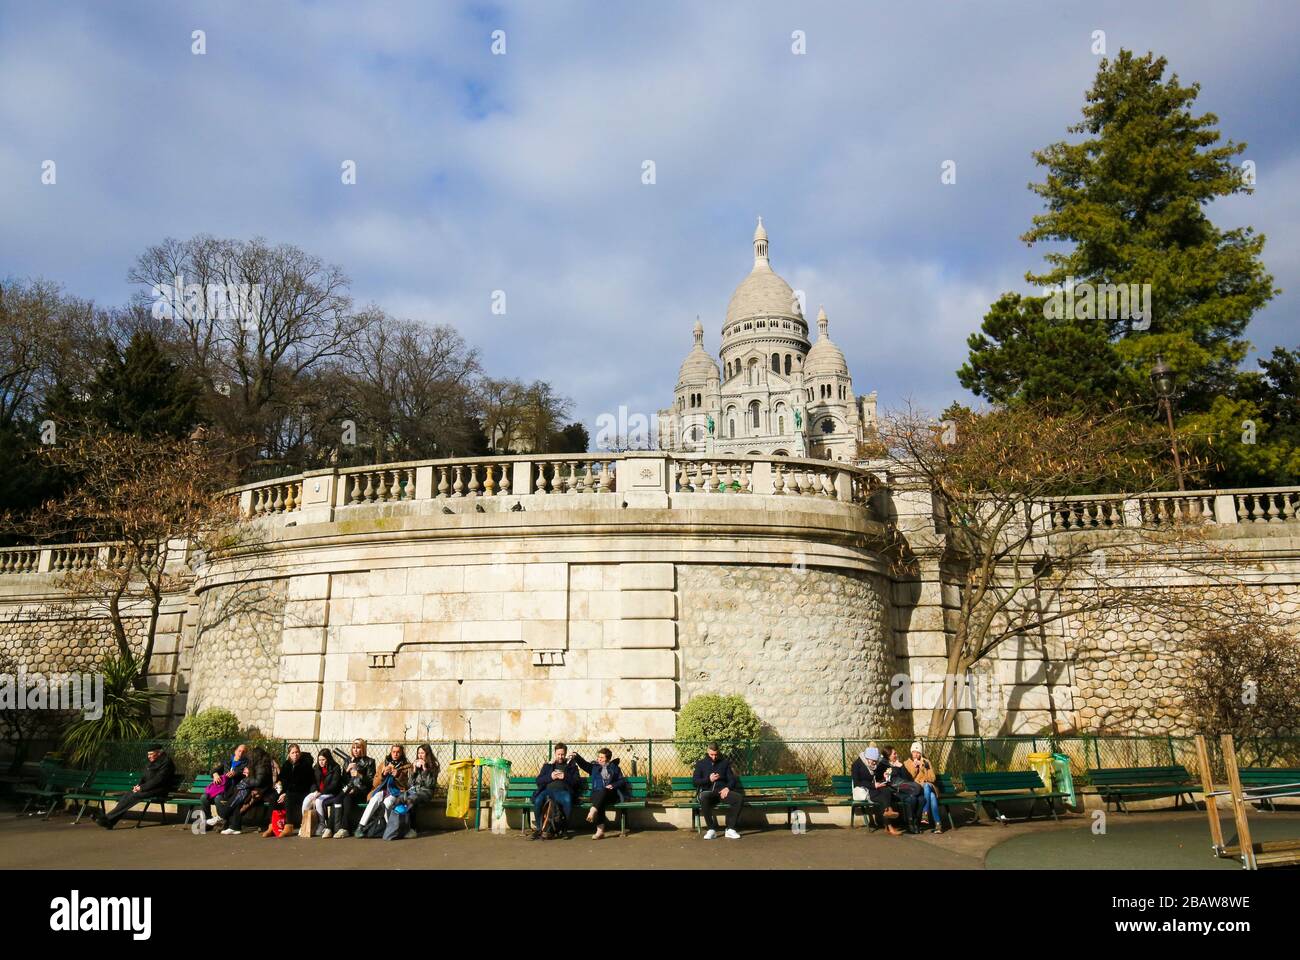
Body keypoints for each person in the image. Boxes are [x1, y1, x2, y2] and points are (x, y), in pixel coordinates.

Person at [95, 745, 177, 829]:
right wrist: (138, 785)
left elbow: (159, 779)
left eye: (151, 754)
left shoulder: (166, 762)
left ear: (159, 753)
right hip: (149, 789)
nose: (149, 757)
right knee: (128, 795)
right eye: (148, 754)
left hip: (160, 790)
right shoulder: (152, 762)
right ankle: (110, 821)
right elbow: (145, 777)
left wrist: (142, 788)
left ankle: (107, 818)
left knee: (134, 796)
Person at [528, 743, 581, 840]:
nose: (560, 757)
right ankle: (539, 829)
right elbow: (538, 781)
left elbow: (577, 782)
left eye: (562, 754)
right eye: (558, 754)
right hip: (547, 791)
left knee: (568, 800)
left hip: (563, 792)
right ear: (555, 754)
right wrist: (550, 777)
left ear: (565, 754)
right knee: (538, 800)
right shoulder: (548, 766)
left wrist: (565, 777)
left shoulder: (572, 766)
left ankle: (564, 830)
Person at [323, 739, 375, 839]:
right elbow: (343, 781)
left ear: (363, 749)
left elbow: (370, 782)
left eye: (358, 748)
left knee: (347, 798)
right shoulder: (348, 761)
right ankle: (330, 827)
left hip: (362, 790)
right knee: (337, 798)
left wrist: (359, 775)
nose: (355, 750)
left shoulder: (370, 761)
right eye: (354, 748)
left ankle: (344, 828)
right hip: (348, 788)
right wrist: (347, 772)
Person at [692, 742, 744, 840]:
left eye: (716, 754)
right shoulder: (701, 764)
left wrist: (727, 788)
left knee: (738, 798)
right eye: (712, 754)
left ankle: (730, 829)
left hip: (722, 793)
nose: (714, 757)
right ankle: (711, 829)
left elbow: (732, 779)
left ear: (718, 752)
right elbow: (695, 782)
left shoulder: (724, 763)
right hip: (709, 793)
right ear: (708, 752)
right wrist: (708, 779)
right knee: (703, 797)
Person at [357, 744, 411, 835]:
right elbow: (375, 783)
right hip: (382, 790)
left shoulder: (407, 766)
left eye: (398, 752)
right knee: (374, 799)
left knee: (387, 803)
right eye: (394, 752)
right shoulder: (383, 764)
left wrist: (398, 776)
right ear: (391, 752)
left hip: (396, 792)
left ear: (402, 753)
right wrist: (383, 774)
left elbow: (407, 784)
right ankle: (361, 826)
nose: (395, 754)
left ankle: (390, 827)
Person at [573, 747, 627, 839]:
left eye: (602, 757)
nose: (599, 759)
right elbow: (583, 764)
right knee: (600, 801)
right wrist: (576, 756)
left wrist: (613, 785)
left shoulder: (614, 767)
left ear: (608, 759)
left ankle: (598, 826)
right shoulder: (594, 767)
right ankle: (599, 830)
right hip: (596, 795)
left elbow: (622, 781)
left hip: (610, 795)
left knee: (603, 792)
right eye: (598, 757)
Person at [851, 746, 902, 836]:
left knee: (886, 790)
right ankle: (889, 826)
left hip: (873, 787)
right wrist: (873, 785)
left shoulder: (873, 765)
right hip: (865, 790)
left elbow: (877, 775)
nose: (875, 763)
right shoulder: (856, 765)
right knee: (883, 799)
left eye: (876, 761)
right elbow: (857, 782)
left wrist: (884, 775)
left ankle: (888, 813)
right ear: (867, 758)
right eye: (873, 761)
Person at [391, 743, 438, 840]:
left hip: (426, 792)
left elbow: (430, 785)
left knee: (411, 800)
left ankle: (412, 829)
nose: (420, 755)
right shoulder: (414, 765)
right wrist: (414, 771)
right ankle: (398, 827)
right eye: (419, 753)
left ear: (427, 754)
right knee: (399, 799)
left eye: (422, 753)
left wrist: (425, 769)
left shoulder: (433, 766)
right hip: (414, 790)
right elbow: (409, 784)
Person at [266, 743, 314, 838]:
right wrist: (280, 787)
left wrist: (285, 794)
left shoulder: (305, 766)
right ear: (289, 754)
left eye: (297, 752)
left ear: (300, 753)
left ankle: (289, 825)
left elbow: (303, 784)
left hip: (301, 793)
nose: (295, 754)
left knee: (288, 797)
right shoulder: (286, 765)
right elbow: (282, 779)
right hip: (288, 792)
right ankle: (272, 825)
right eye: (293, 753)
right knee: (273, 797)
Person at [221, 748, 273, 835]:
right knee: (239, 796)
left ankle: (224, 816)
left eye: (252, 755)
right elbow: (255, 778)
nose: (250, 757)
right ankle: (233, 826)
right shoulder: (259, 764)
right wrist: (248, 774)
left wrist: (246, 780)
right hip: (255, 789)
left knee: (239, 795)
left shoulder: (262, 765)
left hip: (260, 791)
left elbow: (258, 781)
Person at [202, 743, 248, 828]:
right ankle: (207, 822)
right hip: (219, 788)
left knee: (218, 798)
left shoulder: (245, 764)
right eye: (239, 751)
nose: (241, 753)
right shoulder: (227, 761)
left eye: (243, 752)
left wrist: (236, 774)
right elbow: (214, 770)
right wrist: (215, 774)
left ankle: (223, 821)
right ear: (235, 751)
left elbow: (245, 775)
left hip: (231, 790)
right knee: (204, 798)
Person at [301, 749, 343, 837]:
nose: (321, 762)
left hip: (330, 793)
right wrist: (315, 790)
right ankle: (304, 822)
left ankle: (322, 824)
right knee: (306, 800)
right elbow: (313, 782)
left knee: (319, 801)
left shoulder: (335, 767)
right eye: (319, 760)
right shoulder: (316, 768)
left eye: (323, 760)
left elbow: (334, 785)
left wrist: (321, 792)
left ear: (328, 759)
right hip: (318, 792)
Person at [885, 745, 925, 834]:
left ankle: (917, 823)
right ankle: (910, 824)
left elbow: (908, 778)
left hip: (905, 789)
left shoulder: (899, 765)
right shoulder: (885, 766)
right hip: (895, 792)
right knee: (913, 798)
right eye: (894, 754)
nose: (896, 755)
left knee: (922, 799)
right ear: (889, 756)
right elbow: (889, 782)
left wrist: (901, 767)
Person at [906, 741, 942, 834]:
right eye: (914, 752)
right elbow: (910, 778)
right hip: (916, 789)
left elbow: (933, 778)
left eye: (918, 752)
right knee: (932, 797)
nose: (916, 754)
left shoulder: (926, 762)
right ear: (911, 752)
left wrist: (925, 768)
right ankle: (937, 823)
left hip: (927, 787)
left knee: (927, 786)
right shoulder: (907, 763)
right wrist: (915, 767)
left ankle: (925, 814)